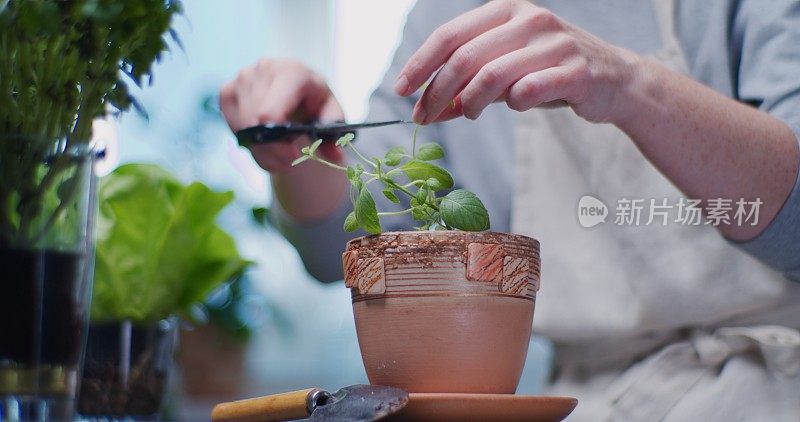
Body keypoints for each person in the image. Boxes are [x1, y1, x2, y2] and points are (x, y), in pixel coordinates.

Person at [220, 0, 800, 420]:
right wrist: (303, 147)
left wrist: (630, 85)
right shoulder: (447, 14)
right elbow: (338, 251)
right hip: (591, 404)